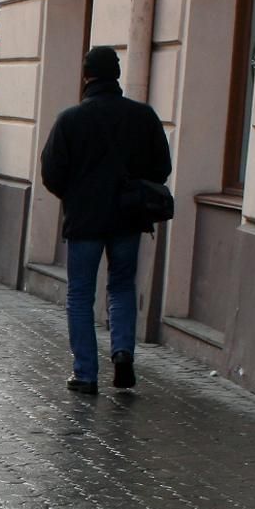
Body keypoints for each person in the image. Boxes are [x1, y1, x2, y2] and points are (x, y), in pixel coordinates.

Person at [40, 45, 173, 394]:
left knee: (80, 294)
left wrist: (74, 194)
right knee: (122, 285)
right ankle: (123, 352)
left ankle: (85, 373)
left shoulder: (70, 120)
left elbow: (51, 172)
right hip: (128, 216)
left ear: (86, 75)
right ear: (116, 75)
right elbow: (162, 167)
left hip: (84, 219)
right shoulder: (143, 116)